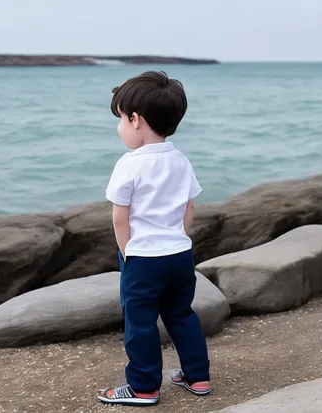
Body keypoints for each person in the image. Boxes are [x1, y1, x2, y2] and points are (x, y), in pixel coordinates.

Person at [96, 71, 211, 407]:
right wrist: (179, 238)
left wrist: (126, 252)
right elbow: (188, 208)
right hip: (178, 254)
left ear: (137, 120)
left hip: (142, 258)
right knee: (181, 314)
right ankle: (197, 376)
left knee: (141, 322)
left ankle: (144, 387)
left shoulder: (129, 164)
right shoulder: (179, 160)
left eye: (120, 119)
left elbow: (120, 216)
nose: (119, 128)